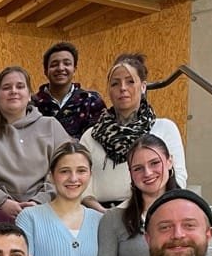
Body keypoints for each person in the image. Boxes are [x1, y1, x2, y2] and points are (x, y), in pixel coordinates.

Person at [80, 53, 187, 210]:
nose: (122, 88)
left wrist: (127, 210)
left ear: (143, 87)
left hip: (150, 211)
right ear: (109, 90)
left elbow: (178, 179)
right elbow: (81, 182)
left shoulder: (164, 128)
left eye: (130, 82)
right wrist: (104, 213)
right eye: (115, 83)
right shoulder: (90, 136)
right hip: (96, 214)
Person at [0, 66, 70, 218]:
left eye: (20, 86)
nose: (14, 91)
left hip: (48, 211)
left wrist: (39, 202)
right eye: (6, 87)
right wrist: (1, 201)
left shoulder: (51, 126)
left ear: (29, 95)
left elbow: (67, 169)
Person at [16, 142, 102, 256]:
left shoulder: (100, 221)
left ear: (90, 174)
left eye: (81, 171)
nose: (73, 178)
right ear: (52, 175)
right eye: (64, 171)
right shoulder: (30, 218)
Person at [31, 42, 106, 140]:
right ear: (45, 71)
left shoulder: (91, 101)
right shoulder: (33, 104)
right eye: (54, 64)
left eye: (67, 63)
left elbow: (98, 139)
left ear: (74, 69)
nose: (61, 68)